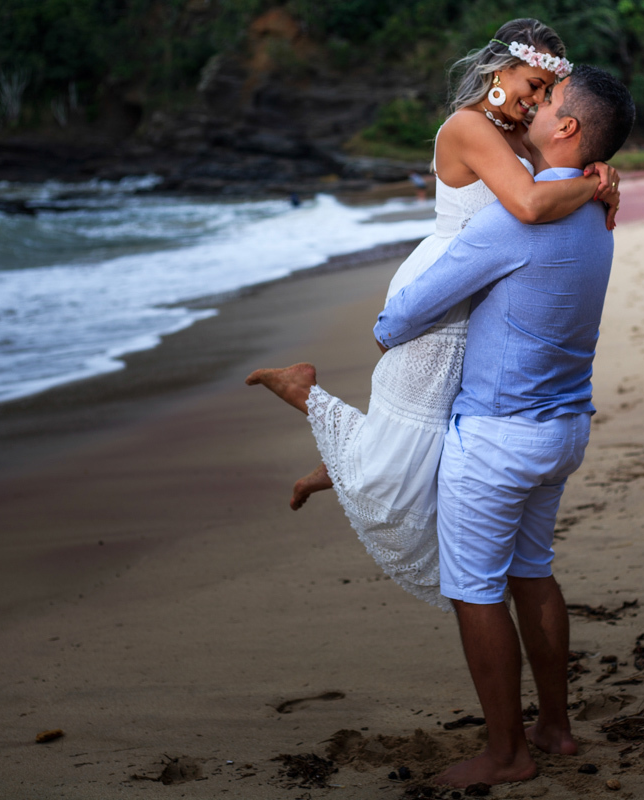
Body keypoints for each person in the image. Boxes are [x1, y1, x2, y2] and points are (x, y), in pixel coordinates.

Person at [245, 19, 621, 609]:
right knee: (415, 424)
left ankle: (339, 465)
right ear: (500, 69)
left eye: (547, 91)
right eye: (530, 83)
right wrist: (593, 186)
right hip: (443, 292)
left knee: (433, 436)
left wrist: (594, 171)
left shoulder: (518, 133)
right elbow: (527, 202)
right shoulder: (469, 127)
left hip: (486, 287)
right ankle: (306, 399)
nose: (535, 100)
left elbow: (550, 175)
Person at [371, 65, 635, 787]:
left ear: (568, 128)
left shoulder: (512, 220)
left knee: (475, 589)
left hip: (497, 438)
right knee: (533, 571)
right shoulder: (597, 211)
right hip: (563, 429)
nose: (532, 107)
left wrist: (385, 325)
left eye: (545, 102)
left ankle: (506, 753)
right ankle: (554, 728)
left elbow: (398, 320)